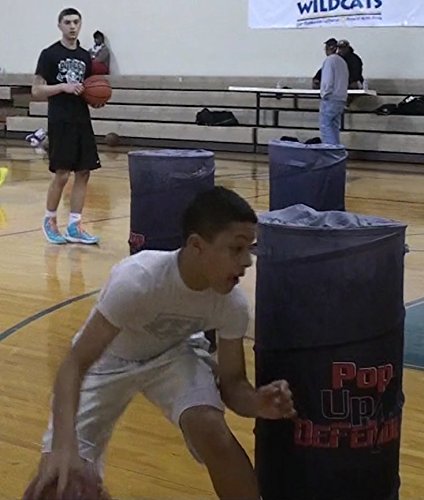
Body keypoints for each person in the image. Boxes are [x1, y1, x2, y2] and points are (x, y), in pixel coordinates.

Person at [25, 186, 296, 500]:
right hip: (108, 361)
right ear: (197, 246)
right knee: (59, 483)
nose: (247, 261)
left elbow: (233, 383)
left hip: (172, 355)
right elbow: (74, 364)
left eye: (250, 249)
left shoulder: (231, 304)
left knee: (212, 429)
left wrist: (256, 403)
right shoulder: (138, 280)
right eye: (236, 249)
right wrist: (63, 445)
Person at [32, 8, 101, 245]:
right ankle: (50, 220)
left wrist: (95, 100)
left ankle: (74, 225)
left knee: (84, 172)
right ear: (60, 25)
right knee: (62, 174)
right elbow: (36, 90)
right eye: (68, 22)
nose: (72, 26)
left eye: (76, 22)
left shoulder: (85, 56)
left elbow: (88, 88)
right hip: (60, 119)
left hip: (81, 118)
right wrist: (63, 87)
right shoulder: (49, 54)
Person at [319, 41, 349, 145]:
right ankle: (336, 150)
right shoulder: (343, 62)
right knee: (334, 127)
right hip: (341, 98)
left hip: (331, 98)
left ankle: (330, 150)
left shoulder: (329, 60)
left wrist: (324, 93)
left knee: (326, 126)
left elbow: (327, 80)